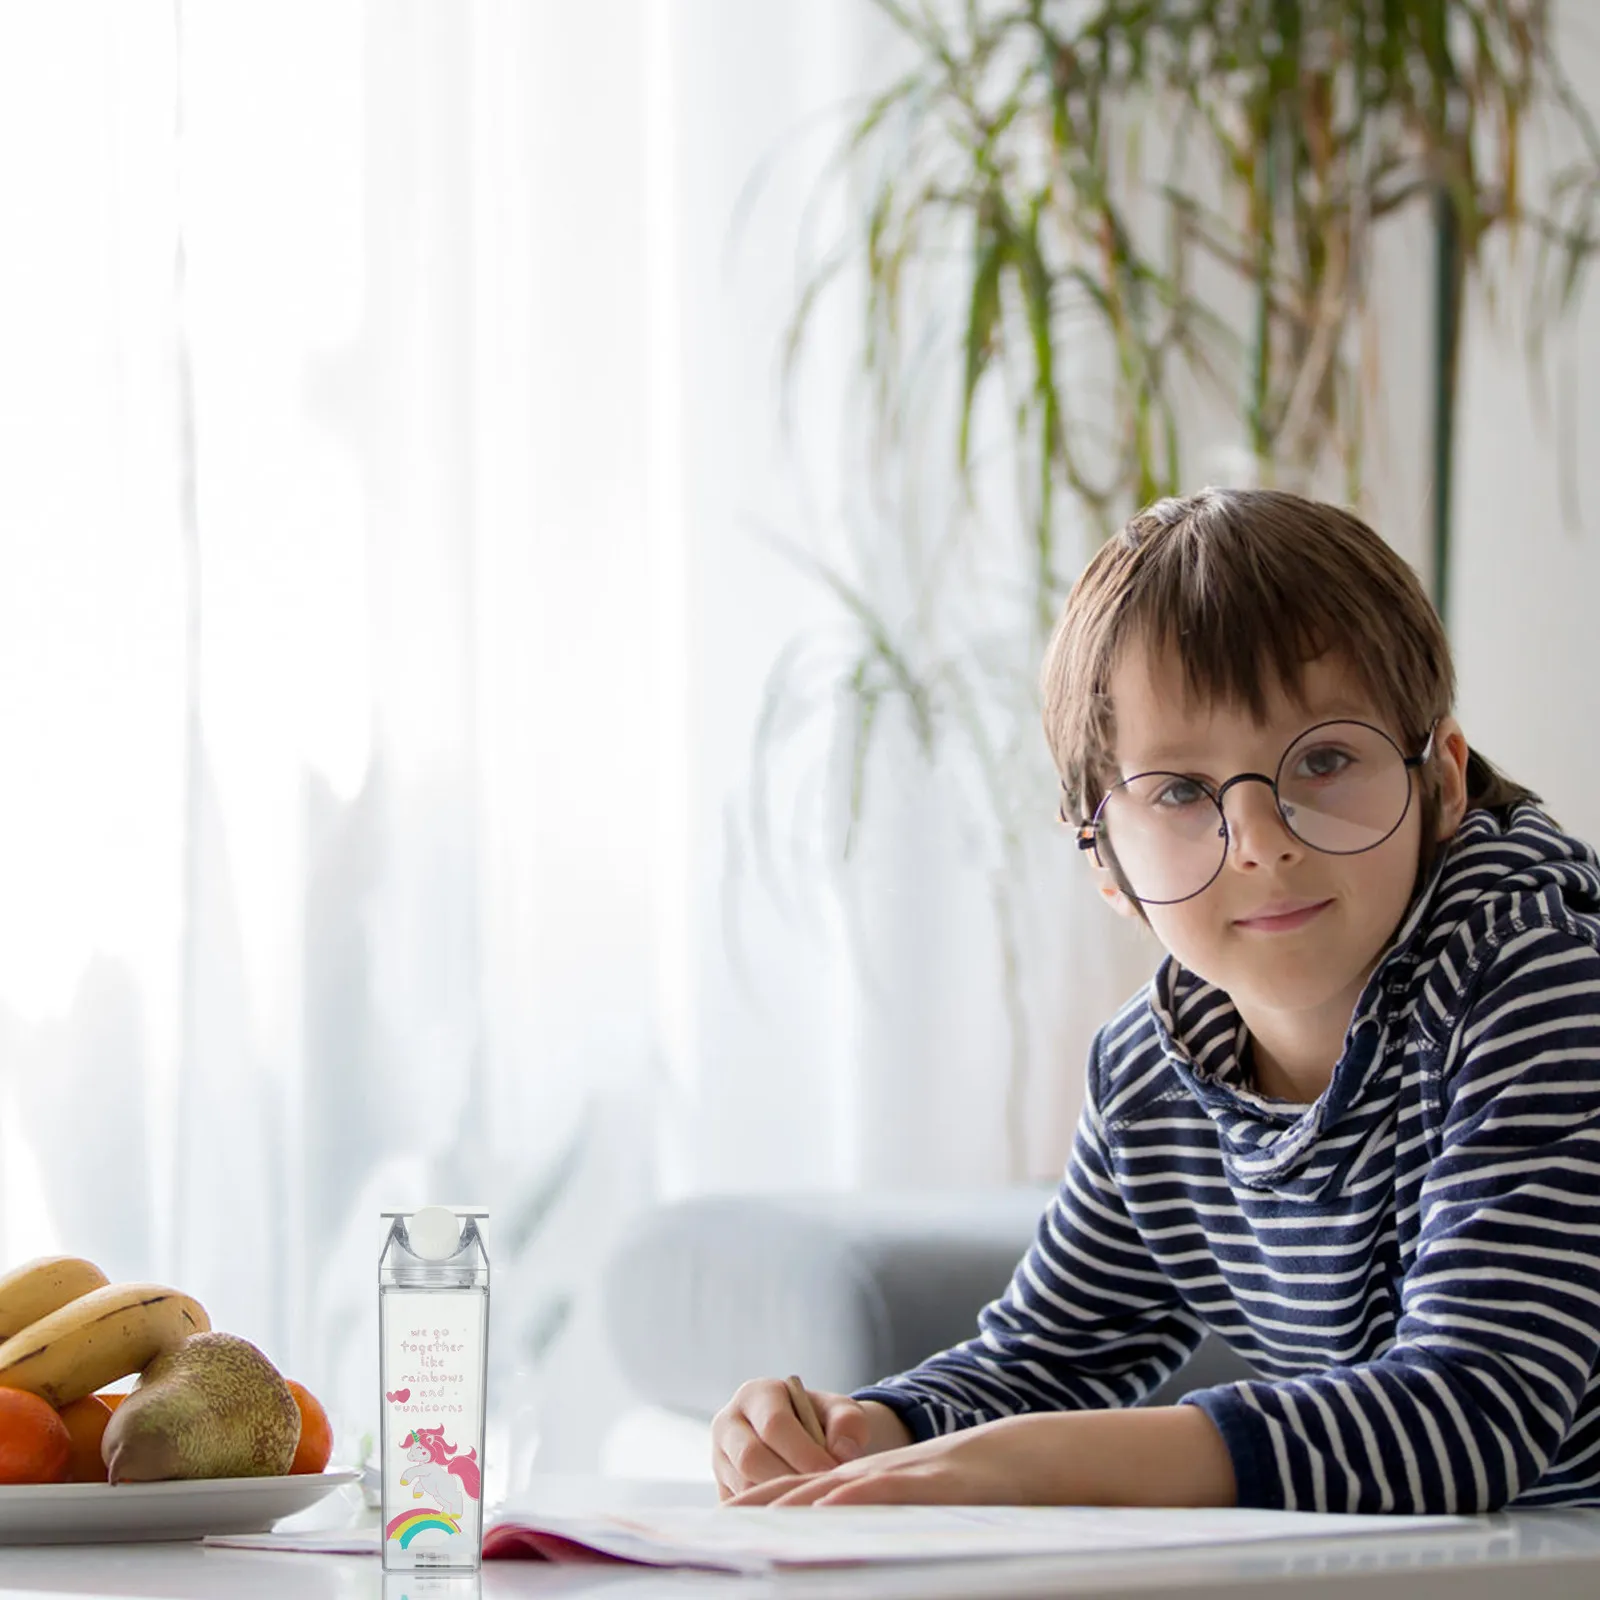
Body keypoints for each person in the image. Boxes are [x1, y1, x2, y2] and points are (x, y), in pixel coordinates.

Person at [711, 486, 1600, 1514]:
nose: (1261, 839)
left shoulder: (1537, 983)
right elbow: (1044, 1358)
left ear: (1441, 779)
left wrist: (1021, 1463)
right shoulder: (1152, 1072)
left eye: (1323, 760)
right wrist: (872, 1430)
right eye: (1180, 790)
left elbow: (1466, 1419)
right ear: (1103, 858)